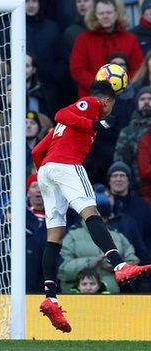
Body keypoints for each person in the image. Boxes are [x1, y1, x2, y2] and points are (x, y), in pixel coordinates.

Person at [31, 80, 151, 333]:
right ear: (107, 100)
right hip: (67, 166)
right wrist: (93, 123)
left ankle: (50, 297)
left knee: (55, 236)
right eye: (112, 103)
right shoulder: (92, 105)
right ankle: (120, 266)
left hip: (47, 171)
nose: (109, 108)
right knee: (91, 213)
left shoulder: (63, 127)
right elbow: (60, 113)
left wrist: (46, 174)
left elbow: (37, 152)